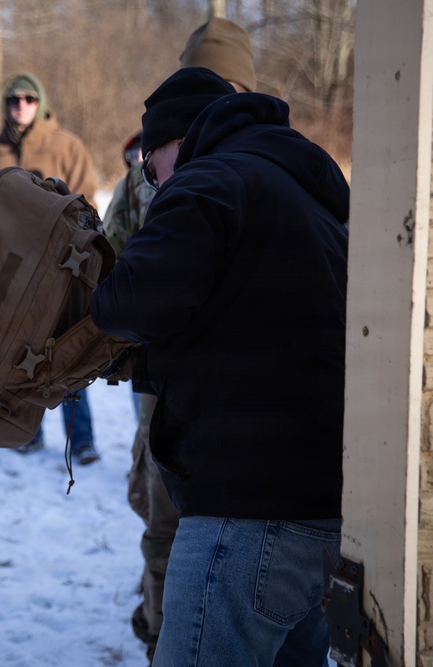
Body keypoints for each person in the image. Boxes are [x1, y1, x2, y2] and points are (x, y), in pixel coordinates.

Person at [91, 67, 349, 666]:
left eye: (148, 162)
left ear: (172, 144)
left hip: (245, 515)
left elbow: (131, 301)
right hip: (325, 510)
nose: (149, 180)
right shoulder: (302, 185)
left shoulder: (207, 181)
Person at [106, 17, 258, 658]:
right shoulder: (151, 168)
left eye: (225, 84)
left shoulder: (267, 158)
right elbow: (108, 260)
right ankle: (158, 630)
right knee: (164, 518)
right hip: (164, 381)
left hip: (246, 393)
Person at [0, 72, 100, 465]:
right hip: (8, 270)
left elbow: (88, 208)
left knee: (68, 352)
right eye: (13, 99)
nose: (20, 106)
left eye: (28, 99)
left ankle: (81, 440)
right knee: (16, 351)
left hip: (60, 270)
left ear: (40, 103)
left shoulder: (68, 147)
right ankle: (25, 430)